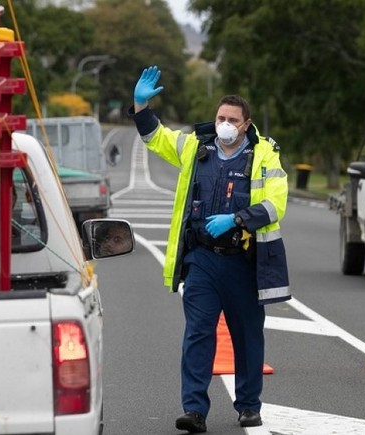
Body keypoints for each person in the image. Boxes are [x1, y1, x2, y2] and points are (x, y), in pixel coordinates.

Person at [129, 65, 291, 433]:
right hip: (202, 259)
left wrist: (236, 220)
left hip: (243, 260)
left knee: (247, 337)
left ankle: (249, 406)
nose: (225, 124)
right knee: (198, 333)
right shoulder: (196, 148)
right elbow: (157, 138)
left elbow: (275, 205)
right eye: (221, 117)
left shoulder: (264, 157)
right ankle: (195, 410)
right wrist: (140, 105)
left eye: (233, 119)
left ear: (246, 124)